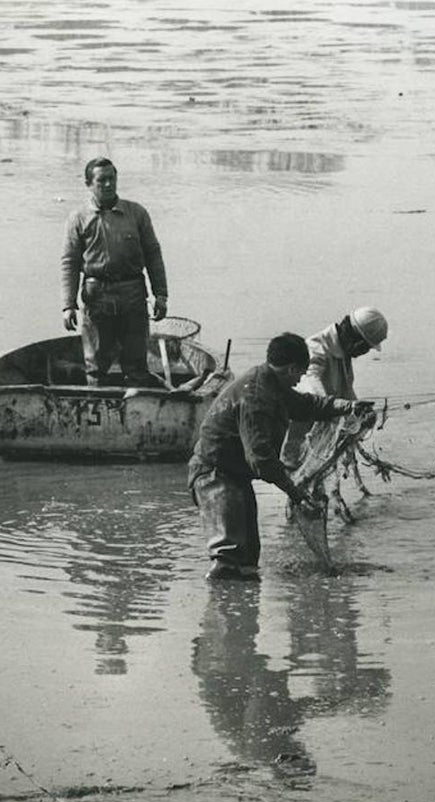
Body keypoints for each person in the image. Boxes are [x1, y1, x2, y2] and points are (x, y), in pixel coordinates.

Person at [188, 333, 374, 580]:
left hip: (234, 476)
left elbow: (306, 405)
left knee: (248, 559)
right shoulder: (255, 396)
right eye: (300, 373)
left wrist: (347, 406)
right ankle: (224, 609)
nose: (300, 380)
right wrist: (294, 491)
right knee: (228, 559)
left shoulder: (271, 383)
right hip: (215, 477)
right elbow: (261, 459)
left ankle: (241, 611)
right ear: (290, 369)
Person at [61, 157, 168, 387]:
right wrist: (68, 305)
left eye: (112, 178)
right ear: (88, 184)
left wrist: (161, 295)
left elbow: (153, 255)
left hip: (133, 294)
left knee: (137, 364)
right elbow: (69, 262)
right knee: (96, 365)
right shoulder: (78, 218)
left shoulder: (136, 213)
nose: (108, 184)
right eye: (102, 180)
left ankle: (138, 413)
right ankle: (96, 410)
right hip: (97, 296)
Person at [282, 306, 389, 468]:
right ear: (358, 342)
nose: (364, 353)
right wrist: (333, 407)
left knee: (316, 478)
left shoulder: (342, 353)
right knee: (294, 474)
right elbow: (310, 380)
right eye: (366, 348)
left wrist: (360, 415)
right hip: (300, 431)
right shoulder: (315, 347)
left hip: (319, 435)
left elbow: (347, 394)